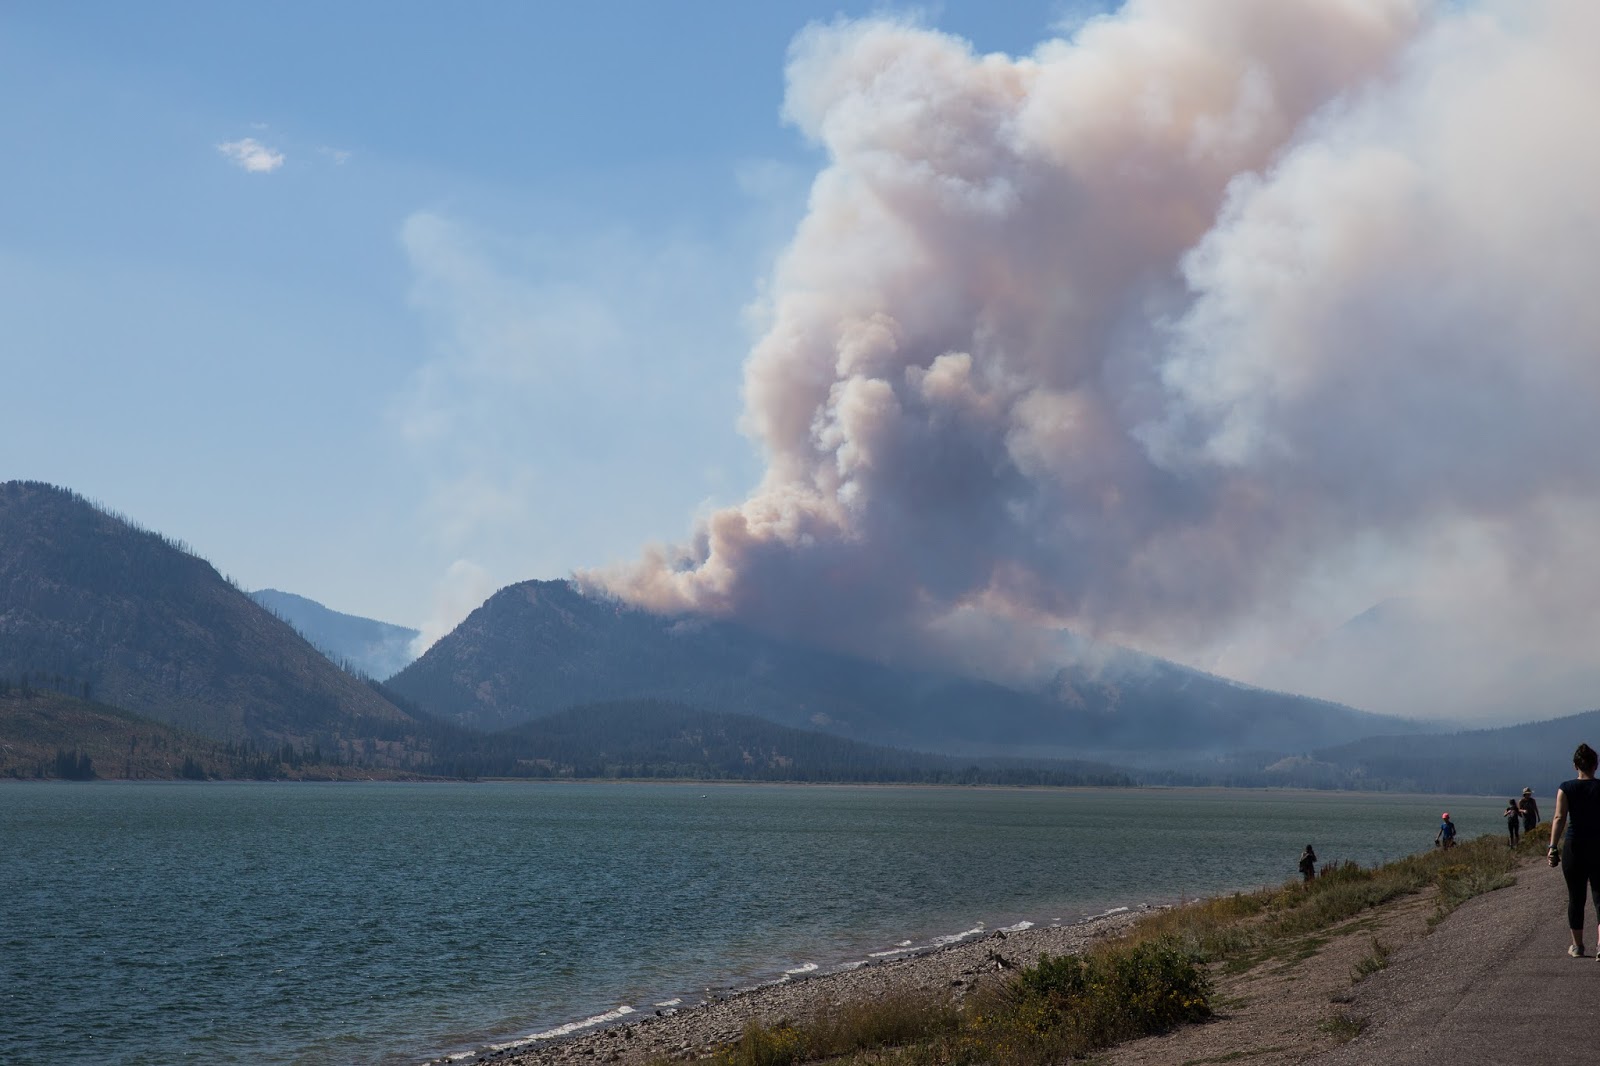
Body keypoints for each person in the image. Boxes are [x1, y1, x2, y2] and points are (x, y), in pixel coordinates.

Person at [1548, 743, 1600, 959]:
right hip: (1598, 846)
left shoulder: (1566, 788)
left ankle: (1577, 946)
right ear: (1596, 765)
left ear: (1575, 766)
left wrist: (1552, 847)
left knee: (1576, 898)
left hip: (1574, 846)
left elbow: (1559, 818)